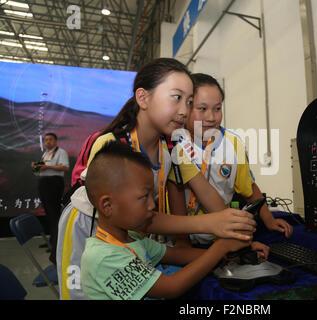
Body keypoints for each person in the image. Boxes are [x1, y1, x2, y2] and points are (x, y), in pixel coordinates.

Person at [56, 58, 256, 300]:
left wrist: (227, 228)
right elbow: (137, 217)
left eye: (189, 101)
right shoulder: (111, 145)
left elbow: (190, 191)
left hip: (134, 231)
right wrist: (212, 224)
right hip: (89, 228)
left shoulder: (171, 146)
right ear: (143, 98)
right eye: (176, 97)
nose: (184, 110)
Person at [81, 141, 256, 299]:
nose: (152, 205)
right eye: (143, 197)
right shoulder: (103, 257)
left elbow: (178, 254)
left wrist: (233, 251)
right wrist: (220, 247)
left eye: (152, 196)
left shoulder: (133, 239)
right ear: (107, 205)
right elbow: (170, 287)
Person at [168, 73, 293, 245]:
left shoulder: (233, 144)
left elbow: (248, 188)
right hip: (183, 235)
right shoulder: (175, 142)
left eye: (217, 109)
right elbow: (176, 191)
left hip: (221, 236)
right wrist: (182, 242)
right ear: (186, 107)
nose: (211, 117)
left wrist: (269, 220)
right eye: (202, 109)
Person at [31, 132, 69, 265]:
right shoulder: (45, 154)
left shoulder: (61, 152)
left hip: (54, 183)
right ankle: (51, 242)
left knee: (54, 214)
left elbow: (65, 167)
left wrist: (47, 166)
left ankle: (56, 244)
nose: (47, 142)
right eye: (46, 140)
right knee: (48, 214)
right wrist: (36, 167)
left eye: (50, 139)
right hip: (44, 183)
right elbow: (40, 170)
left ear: (56, 141)